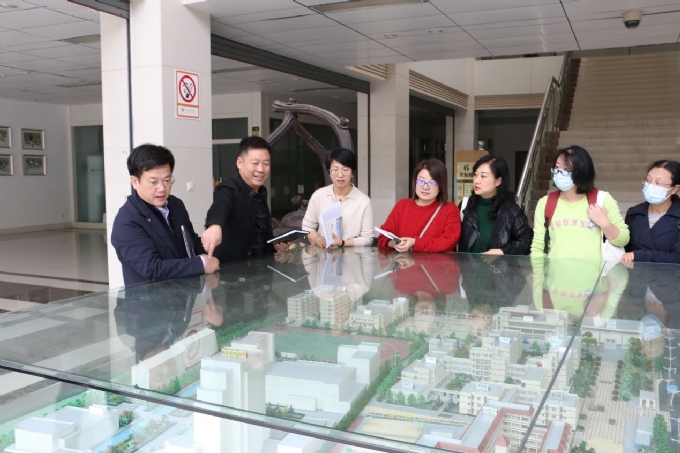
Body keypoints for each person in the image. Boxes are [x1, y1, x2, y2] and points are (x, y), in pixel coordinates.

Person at [111, 144, 220, 285]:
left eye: (167, 180)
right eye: (153, 182)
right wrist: (201, 264)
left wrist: (210, 253)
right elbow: (151, 269)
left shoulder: (176, 204)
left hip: (182, 293)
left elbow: (191, 242)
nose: (162, 188)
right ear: (135, 182)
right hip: (148, 297)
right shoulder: (127, 221)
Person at [531, 145, 629, 259]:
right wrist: (538, 270)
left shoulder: (602, 200)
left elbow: (624, 239)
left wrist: (604, 223)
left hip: (594, 271)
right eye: (557, 168)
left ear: (582, 172)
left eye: (566, 169)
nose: (559, 173)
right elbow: (538, 248)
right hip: (555, 271)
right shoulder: (545, 203)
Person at [202, 136, 288, 263]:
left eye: (266, 164)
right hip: (232, 272)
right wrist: (215, 226)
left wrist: (275, 246)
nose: (261, 169)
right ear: (239, 163)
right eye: (255, 163)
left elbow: (258, 237)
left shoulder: (261, 193)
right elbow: (221, 206)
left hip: (261, 271)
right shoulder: (229, 189)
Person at [378, 158, 461, 252]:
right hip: (403, 261)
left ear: (441, 186)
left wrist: (415, 243)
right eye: (421, 181)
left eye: (432, 183)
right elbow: (383, 237)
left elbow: (449, 242)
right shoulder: (402, 206)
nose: (425, 187)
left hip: (434, 262)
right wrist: (394, 243)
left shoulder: (450, 210)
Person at [458, 155, 533, 255]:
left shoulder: (510, 210)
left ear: (498, 181)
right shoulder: (465, 205)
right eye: (475, 175)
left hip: (496, 265)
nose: (476, 180)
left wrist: (502, 251)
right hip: (466, 265)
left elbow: (526, 241)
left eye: (483, 176)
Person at [303, 148, 374, 248]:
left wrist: (343, 243)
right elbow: (307, 227)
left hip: (351, 256)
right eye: (335, 170)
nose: (340, 175)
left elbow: (368, 238)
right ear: (329, 172)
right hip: (323, 254)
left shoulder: (363, 201)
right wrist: (318, 239)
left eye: (345, 170)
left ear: (352, 173)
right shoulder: (318, 196)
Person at [622, 160, 680, 264]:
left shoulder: (677, 217)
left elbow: (677, 257)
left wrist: (641, 256)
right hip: (637, 273)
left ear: (674, 189)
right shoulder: (634, 214)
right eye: (648, 181)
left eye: (658, 183)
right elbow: (625, 249)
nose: (651, 186)